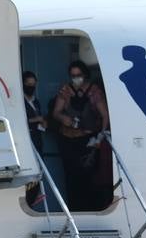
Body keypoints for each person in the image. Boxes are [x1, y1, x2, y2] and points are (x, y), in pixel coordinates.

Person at [51, 60, 111, 212]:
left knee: (88, 176)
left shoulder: (94, 91)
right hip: (68, 139)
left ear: (85, 74)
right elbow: (56, 112)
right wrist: (63, 118)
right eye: (73, 75)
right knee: (71, 177)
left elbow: (105, 115)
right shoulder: (65, 90)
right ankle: (74, 209)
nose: (76, 78)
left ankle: (91, 208)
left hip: (88, 141)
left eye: (79, 75)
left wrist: (100, 137)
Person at [23, 72, 46, 155]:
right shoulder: (19, 102)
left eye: (33, 84)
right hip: (25, 140)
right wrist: (36, 119)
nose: (31, 87)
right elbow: (17, 120)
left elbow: (39, 118)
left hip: (37, 140)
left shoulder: (36, 101)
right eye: (28, 84)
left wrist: (43, 123)